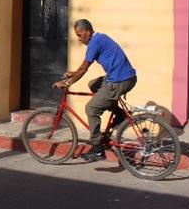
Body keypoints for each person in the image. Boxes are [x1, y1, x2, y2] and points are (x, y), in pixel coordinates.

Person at [53, 19, 137, 161]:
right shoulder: (99, 39)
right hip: (122, 77)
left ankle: (98, 149)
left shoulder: (94, 43)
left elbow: (84, 68)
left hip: (120, 80)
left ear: (88, 31)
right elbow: (82, 68)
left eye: (80, 35)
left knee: (91, 109)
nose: (79, 39)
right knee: (94, 84)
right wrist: (73, 73)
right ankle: (119, 114)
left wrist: (67, 82)